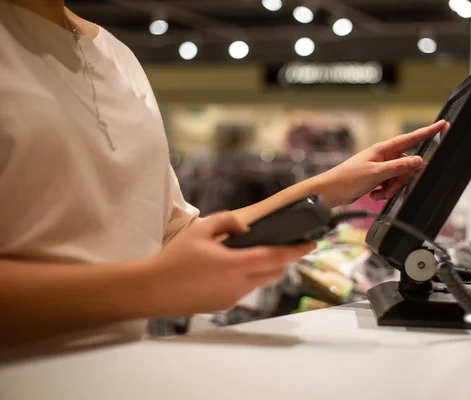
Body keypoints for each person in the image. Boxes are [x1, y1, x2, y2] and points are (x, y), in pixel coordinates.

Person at [0, 0, 448, 346]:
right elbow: (160, 272)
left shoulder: (117, 56)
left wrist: (329, 187)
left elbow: (176, 235)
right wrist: (152, 288)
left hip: (120, 370)